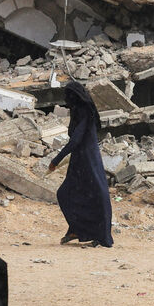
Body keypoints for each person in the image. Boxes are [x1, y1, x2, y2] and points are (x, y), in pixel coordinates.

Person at [48, 81, 114, 247]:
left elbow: (76, 139)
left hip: (89, 159)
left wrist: (56, 160)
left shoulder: (85, 111)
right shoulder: (77, 111)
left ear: (74, 97)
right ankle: (77, 229)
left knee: (97, 196)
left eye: (67, 96)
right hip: (79, 160)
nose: (65, 99)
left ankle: (102, 236)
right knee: (66, 194)